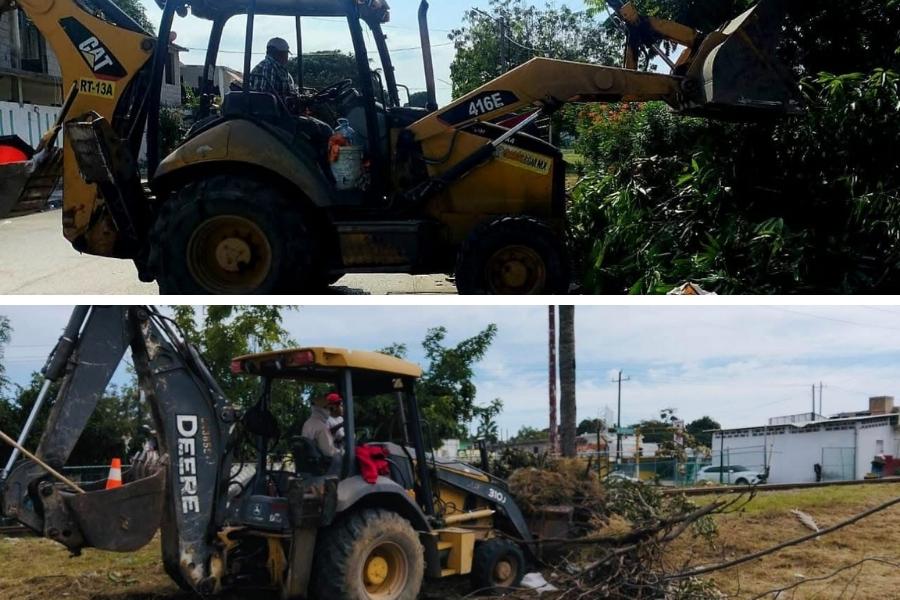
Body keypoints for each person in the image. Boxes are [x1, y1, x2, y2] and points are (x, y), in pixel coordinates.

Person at [301, 391, 343, 458]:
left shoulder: (307, 423)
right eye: (330, 408)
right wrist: (341, 452)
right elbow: (329, 452)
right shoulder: (322, 428)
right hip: (321, 463)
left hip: (310, 460)